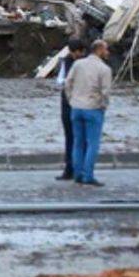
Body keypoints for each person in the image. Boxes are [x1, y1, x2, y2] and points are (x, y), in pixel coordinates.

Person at [64, 39, 113, 187]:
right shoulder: (104, 69)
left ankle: (77, 174)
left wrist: (71, 100)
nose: (108, 52)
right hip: (93, 108)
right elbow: (105, 92)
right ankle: (88, 175)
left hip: (76, 108)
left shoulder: (78, 64)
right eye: (106, 49)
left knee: (78, 143)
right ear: (99, 50)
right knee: (93, 144)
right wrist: (103, 106)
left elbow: (67, 83)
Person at [54, 38, 86, 181]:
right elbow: (60, 80)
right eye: (72, 53)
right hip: (67, 104)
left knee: (81, 138)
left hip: (82, 104)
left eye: (76, 53)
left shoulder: (86, 63)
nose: (74, 55)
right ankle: (69, 169)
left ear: (82, 51)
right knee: (70, 137)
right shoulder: (66, 61)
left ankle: (81, 169)